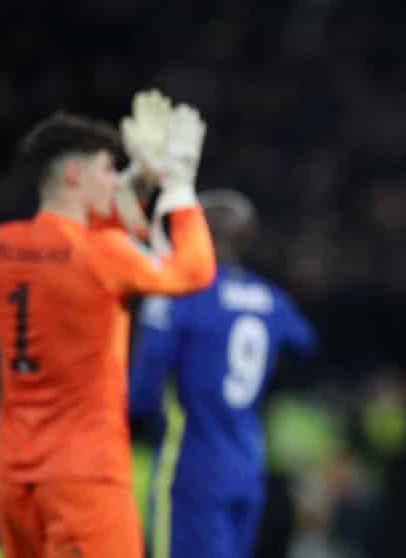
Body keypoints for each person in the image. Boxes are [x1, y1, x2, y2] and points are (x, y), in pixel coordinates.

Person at [0, 97, 215, 558]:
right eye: (108, 170)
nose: (114, 180)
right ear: (74, 176)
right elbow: (194, 271)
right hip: (84, 476)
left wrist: (134, 181)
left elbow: (70, 248)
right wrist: (179, 188)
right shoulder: (102, 255)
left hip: (13, 472)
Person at [128, 188, 317, 558]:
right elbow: (305, 345)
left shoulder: (177, 293)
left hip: (190, 466)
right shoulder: (271, 299)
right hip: (247, 462)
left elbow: (143, 391)